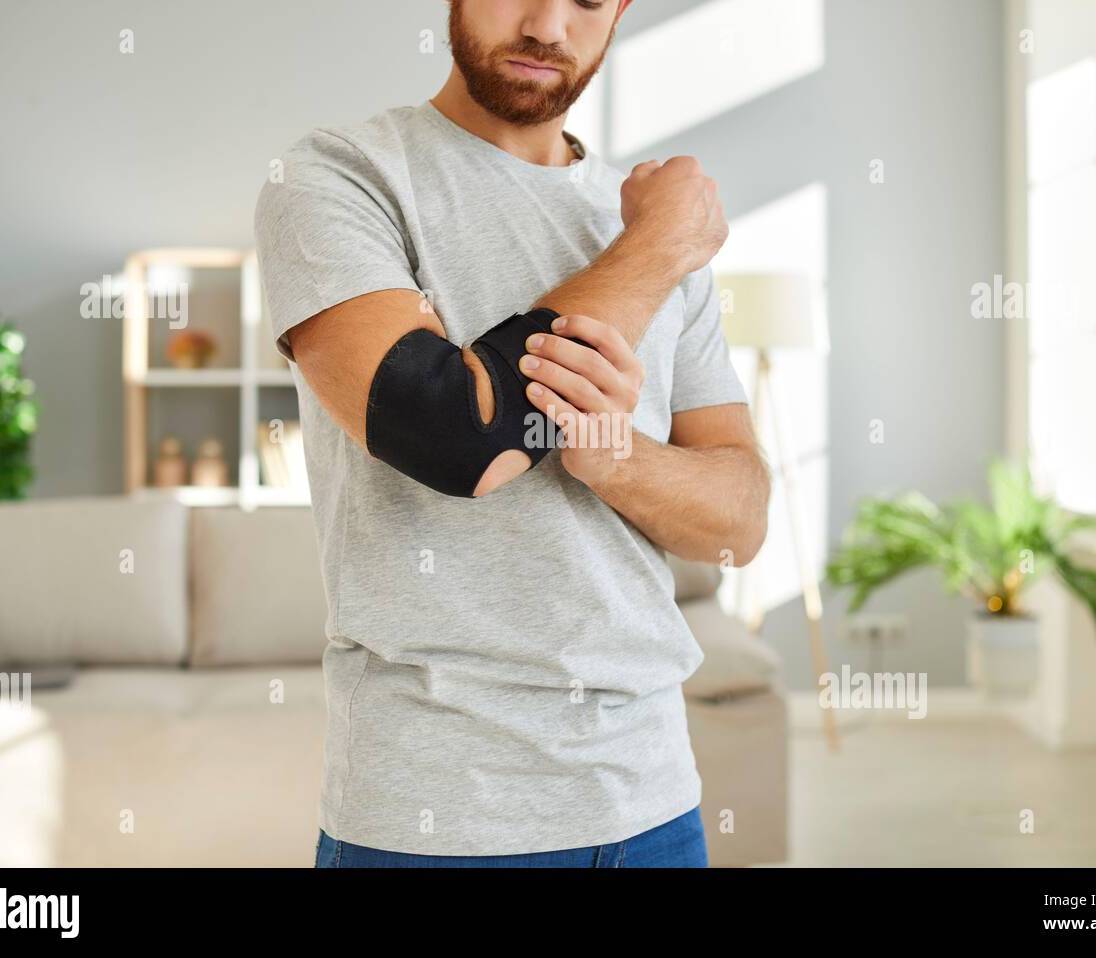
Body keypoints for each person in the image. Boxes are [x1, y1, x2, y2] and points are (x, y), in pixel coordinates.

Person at [253, 0, 770, 868]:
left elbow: (739, 520)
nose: (548, 26)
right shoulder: (340, 176)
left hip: (654, 803)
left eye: (587, 1)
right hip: (439, 819)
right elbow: (457, 435)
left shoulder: (647, 226)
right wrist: (656, 248)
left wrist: (619, 462)